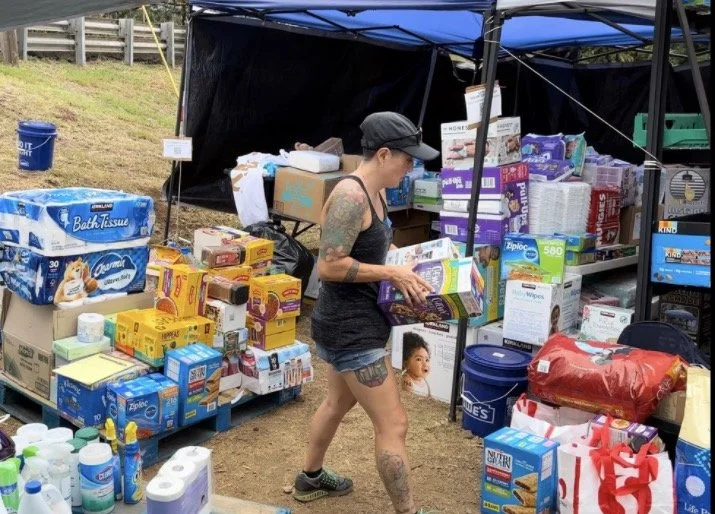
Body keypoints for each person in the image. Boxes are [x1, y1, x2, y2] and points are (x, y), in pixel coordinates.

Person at [293, 112, 440, 514]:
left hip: (352, 325)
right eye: (407, 159)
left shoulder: (377, 193)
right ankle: (407, 511)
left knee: (336, 405)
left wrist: (403, 260)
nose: (412, 167)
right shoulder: (351, 196)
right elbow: (328, 265)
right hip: (351, 331)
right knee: (394, 426)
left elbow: (365, 248)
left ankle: (310, 478)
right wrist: (390, 270)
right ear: (384, 153)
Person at [401, 333, 431, 398]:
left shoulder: (424, 381)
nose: (425, 364)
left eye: (427, 360)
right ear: (406, 364)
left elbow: (429, 398)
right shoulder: (407, 381)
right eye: (419, 359)